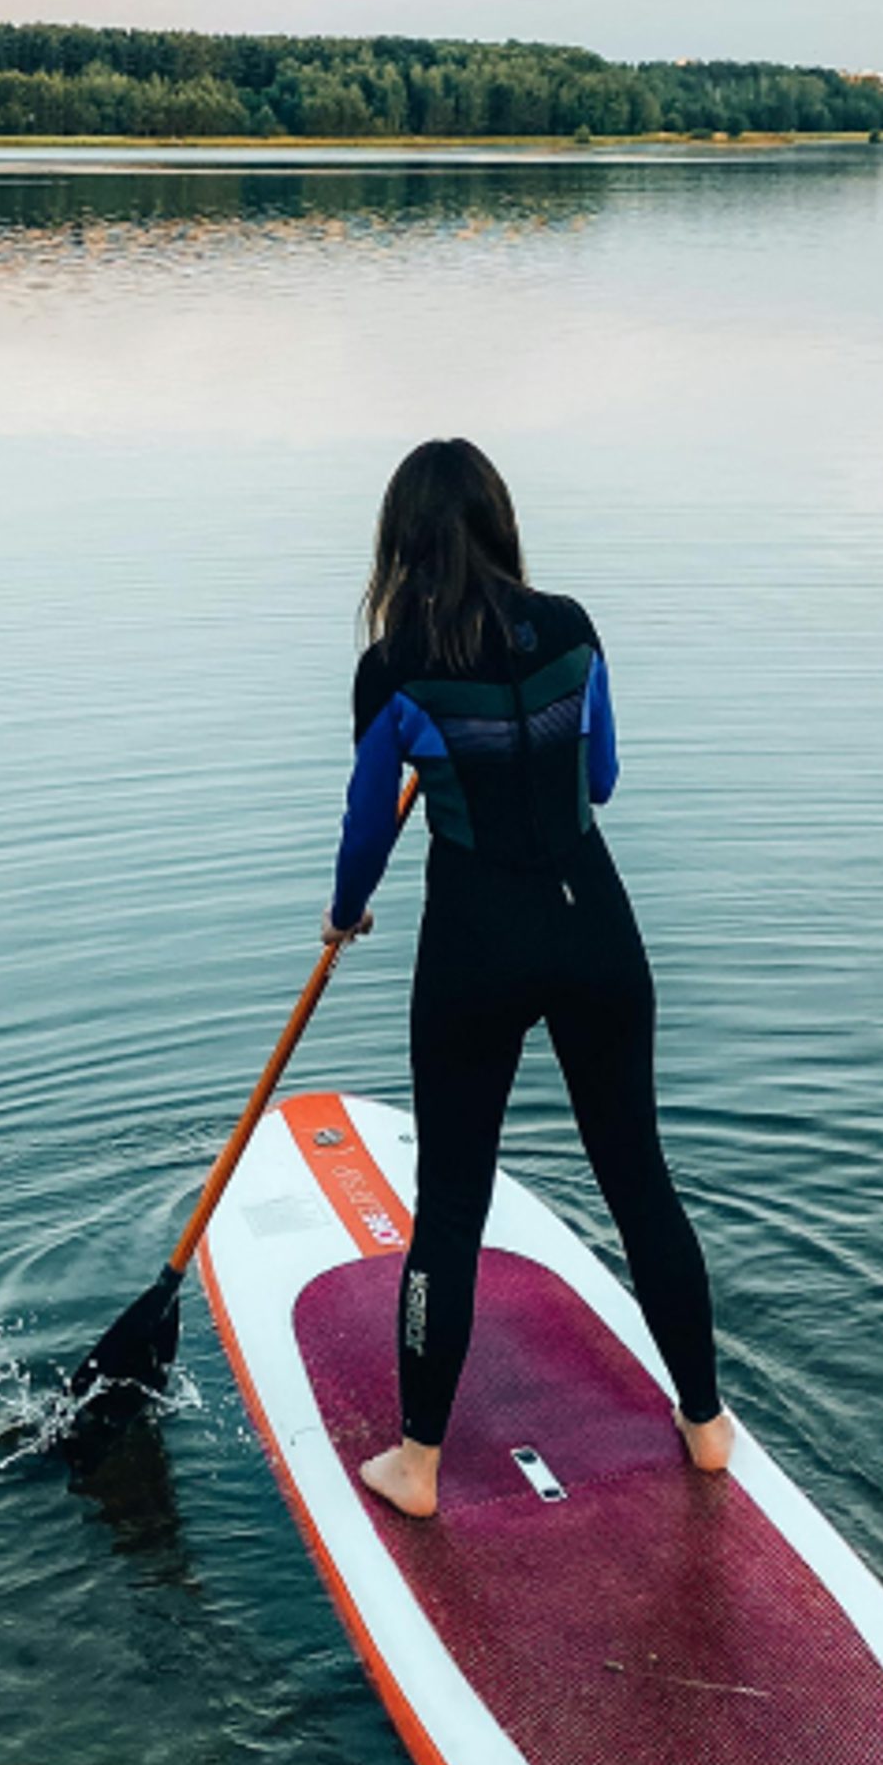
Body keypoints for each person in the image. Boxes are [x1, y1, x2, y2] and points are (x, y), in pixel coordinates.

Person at [324, 435, 731, 1519]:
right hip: (593, 922)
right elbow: (598, 774)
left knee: (450, 1203)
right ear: (499, 522)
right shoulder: (572, 625)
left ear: (399, 541)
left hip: (474, 941)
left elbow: (367, 822)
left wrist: (345, 907)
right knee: (638, 1178)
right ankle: (705, 1424)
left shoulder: (394, 664)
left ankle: (415, 1463)